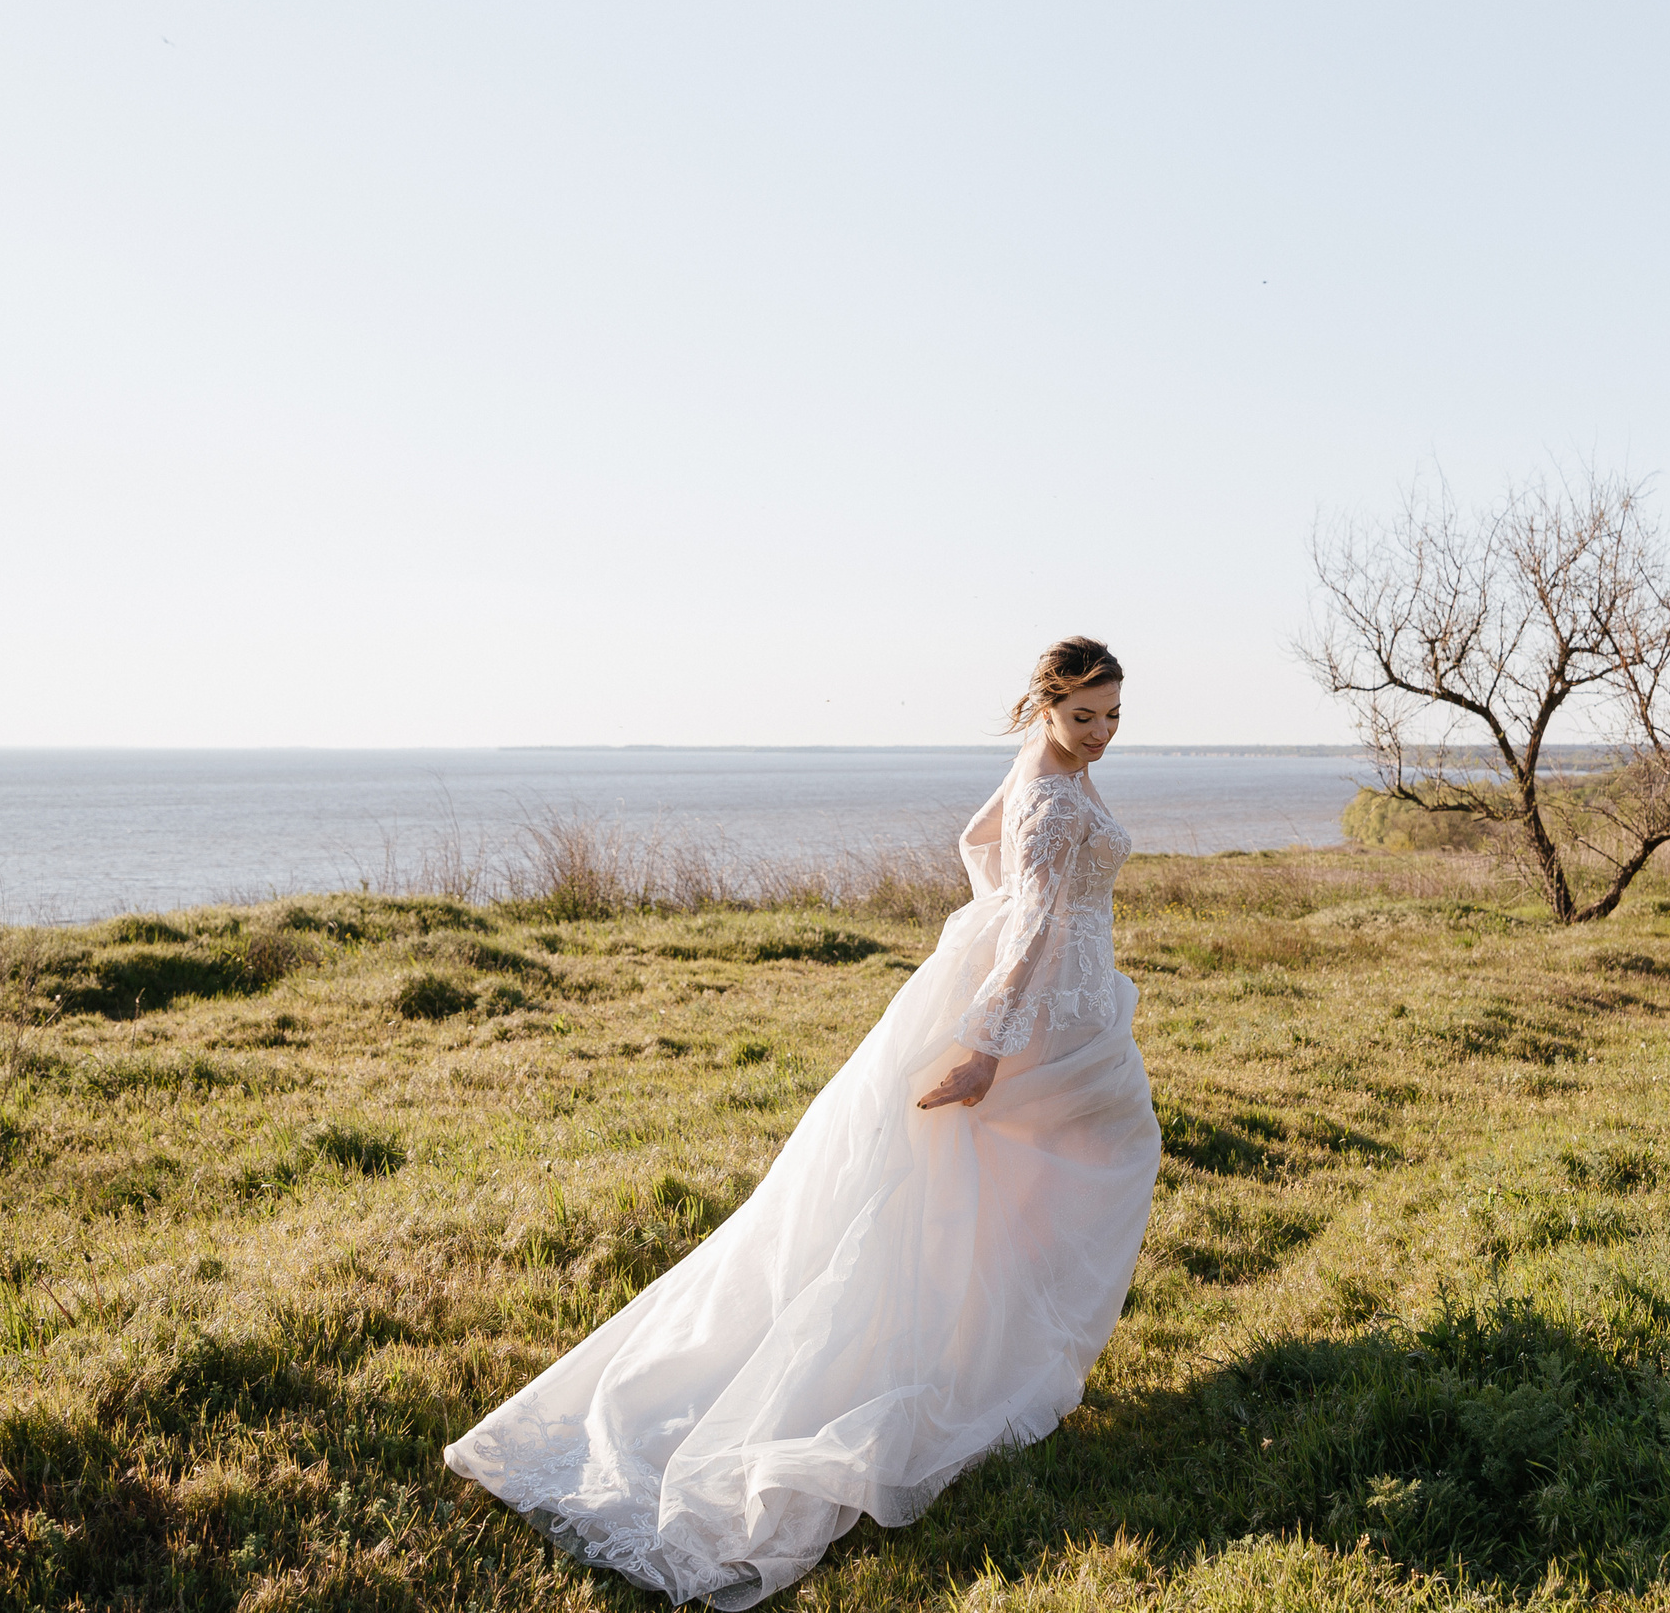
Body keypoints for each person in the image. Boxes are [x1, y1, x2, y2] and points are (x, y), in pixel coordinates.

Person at [442, 638, 1160, 1608]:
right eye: (1085, 718)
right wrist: (986, 1044)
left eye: (1114, 718)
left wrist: (990, 933)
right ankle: (985, 1365)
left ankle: (994, 1351)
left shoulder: (1039, 768)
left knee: (1012, 1186)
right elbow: (1032, 921)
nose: (1101, 737)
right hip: (1036, 1020)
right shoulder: (1053, 790)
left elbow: (977, 846)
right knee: (1081, 1169)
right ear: (1044, 707)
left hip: (1044, 1004)